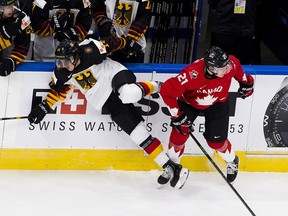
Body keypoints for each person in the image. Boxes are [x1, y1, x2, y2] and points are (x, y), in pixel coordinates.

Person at [27, 38, 189, 189]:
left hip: (116, 76)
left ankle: (160, 87)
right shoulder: (61, 73)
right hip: (106, 101)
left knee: (128, 93)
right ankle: (169, 166)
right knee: (138, 135)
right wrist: (43, 107)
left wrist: (129, 43)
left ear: (76, 57)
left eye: (65, 61)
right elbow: (59, 93)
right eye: (59, 61)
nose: (62, 65)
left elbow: (112, 42)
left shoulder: (90, 49)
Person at [157, 46, 254, 186]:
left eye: (226, 65)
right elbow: (166, 90)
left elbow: (237, 66)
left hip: (218, 103)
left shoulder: (230, 65)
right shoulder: (191, 74)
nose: (227, 69)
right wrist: (177, 116)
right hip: (189, 103)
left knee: (216, 143)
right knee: (178, 136)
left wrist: (246, 83)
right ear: (212, 68)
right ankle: (172, 167)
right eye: (222, 68)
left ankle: (232, 160)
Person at [208, 0, 260, 65]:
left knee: (243, 65)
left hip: (245, 31)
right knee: (218, 64)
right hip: (223, 30)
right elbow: (213, 3)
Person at [0, 0, 31, 76]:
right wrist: (5, 36)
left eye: (12, 5)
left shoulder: (22, 18)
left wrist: (12, 60)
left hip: (13, 57)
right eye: (7, 7)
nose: (11, 9)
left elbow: (23, 45)